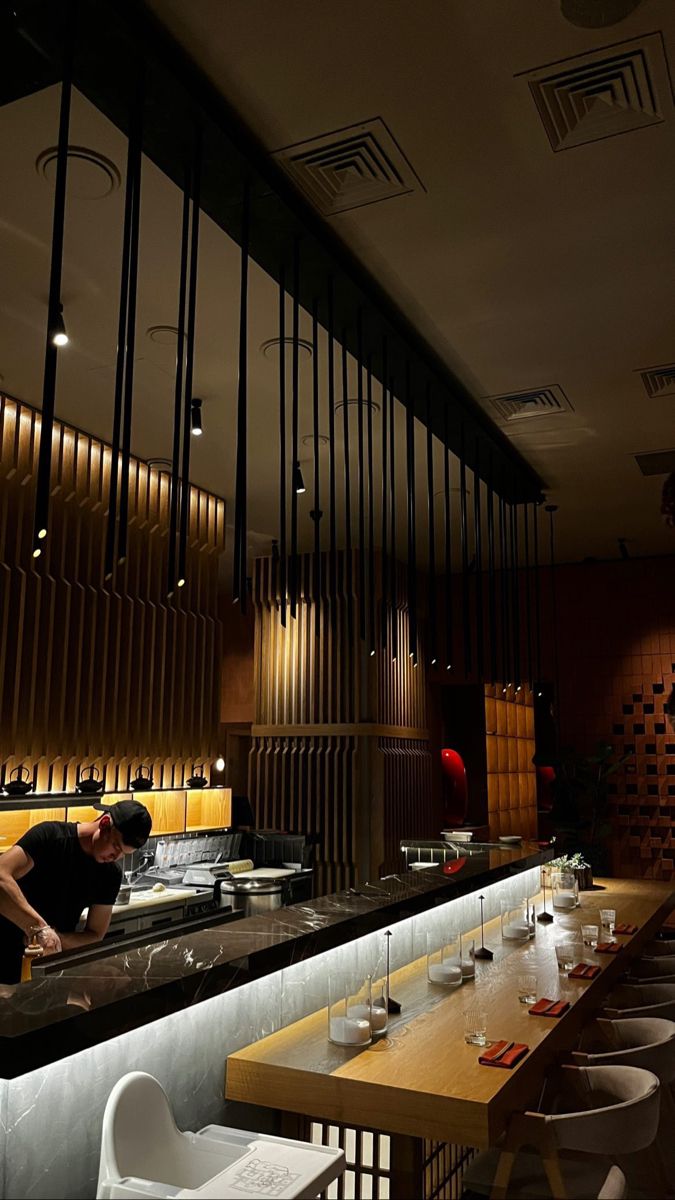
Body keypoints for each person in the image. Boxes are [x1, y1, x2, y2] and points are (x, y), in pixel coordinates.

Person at [0, 800, 152, 984]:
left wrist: (56, 939)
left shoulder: (109, 874)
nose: (116, 857)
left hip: (50, 974)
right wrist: (37, 929)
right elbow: (1, 875)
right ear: (104, 824)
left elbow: (95, 935)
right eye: (116, 846)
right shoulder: (51, 837)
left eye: (124, 854)